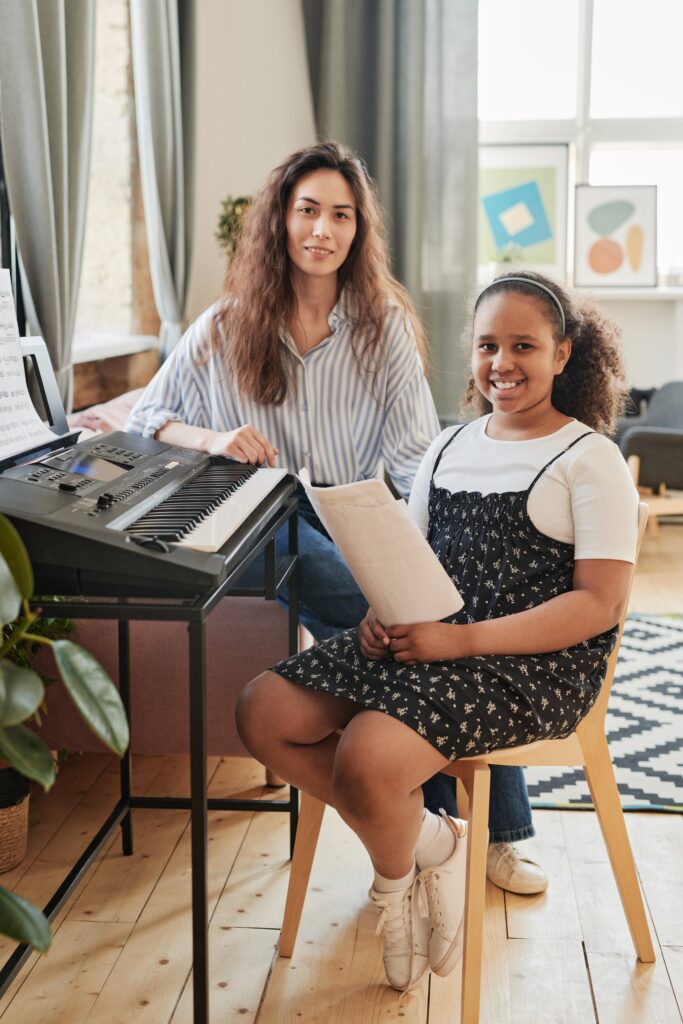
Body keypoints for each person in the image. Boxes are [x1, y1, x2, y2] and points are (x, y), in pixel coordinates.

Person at [125, 141, 545, 895]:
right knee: (427, 637)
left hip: (357, 514)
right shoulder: (224, 326)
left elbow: (416, 457)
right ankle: (473, 830)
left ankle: (459, 830)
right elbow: (145, 416)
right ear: (280, 222)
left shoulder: (381, 325)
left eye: (341, 215)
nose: (323, 229)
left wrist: (439, 544)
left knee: (443, 613)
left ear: (357, 231)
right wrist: (215, 438)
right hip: (262, 520)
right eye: (308, 210)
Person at [235, 270, 639, 992]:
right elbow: (407, 560)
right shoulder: (450, 447)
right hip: (429, 647)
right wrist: (376, 617)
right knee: (261, 710)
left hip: (528, 665)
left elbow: (597, 606)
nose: (501, 363)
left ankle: (392, 887)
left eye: (524, 345)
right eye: (487, 345)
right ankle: (432, 842)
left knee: (366, 759)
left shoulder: (589, 458)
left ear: (563, 353)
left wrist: (460, 641)